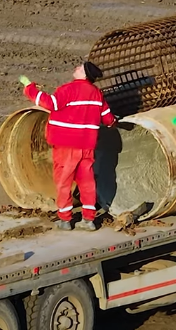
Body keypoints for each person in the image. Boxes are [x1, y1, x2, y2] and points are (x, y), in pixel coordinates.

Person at [20, 61, 116, 231]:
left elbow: (50, 104)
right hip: (87, 146)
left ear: (85, 74)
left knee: (63, 181)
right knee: (87, 182)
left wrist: (30, 88)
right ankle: (89, 220)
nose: (76, 68)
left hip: (66, 146)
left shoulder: (68, 89)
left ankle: (65, 219)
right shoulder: (96, 94)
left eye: (79, 67)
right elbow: (108, 119)